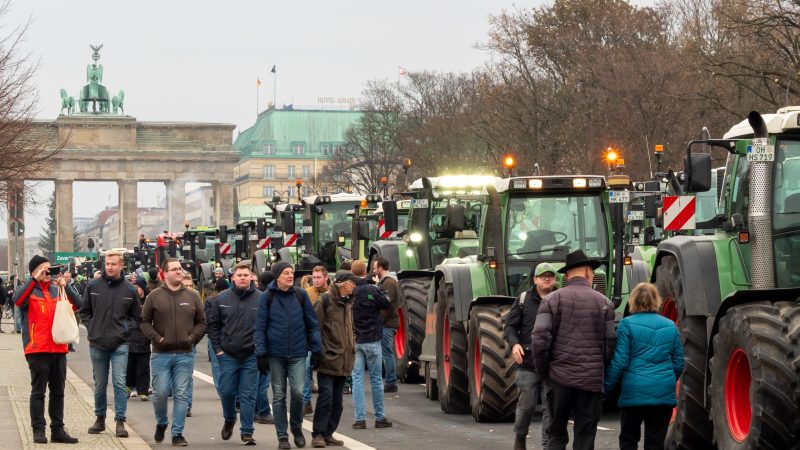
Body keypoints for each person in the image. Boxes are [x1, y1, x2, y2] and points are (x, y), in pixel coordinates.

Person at [533, 250, 616, 450]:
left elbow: (539, 340)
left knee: (555, 434)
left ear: (567, 276)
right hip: (590, 382)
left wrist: (545, 373)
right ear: (589, 273)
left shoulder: (550, 301)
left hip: (558, 379)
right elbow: (610, 342)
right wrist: (598, 370)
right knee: (585, 435)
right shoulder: (605, 304)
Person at [605, 283, 684, 450]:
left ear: (633, 301)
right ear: (656, 301)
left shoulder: (627, 324)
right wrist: (667, 380)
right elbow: (679, 363)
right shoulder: (670, 326)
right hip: (663, 394)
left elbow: (620, 361)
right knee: (655, 443)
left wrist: (606, 386)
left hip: (634, 393)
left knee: (628, 440)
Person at [13, 255, 82, 444]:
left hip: (58, 348)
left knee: (58, 391)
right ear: (33, 271)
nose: (47, 273)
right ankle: (38, 429)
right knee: (38, 391)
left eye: (49, 269)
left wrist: (65, 285)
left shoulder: (56, 289)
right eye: (43, 269)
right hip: (37, 348)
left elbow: (80, 305)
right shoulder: (29, 290)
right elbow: (17, 300)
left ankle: (58, 430)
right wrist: (34, 279)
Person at [255, 261, 322, 450]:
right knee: (278, 396)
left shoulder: (300, 295)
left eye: (291, 272)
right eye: (286, 273)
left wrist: (317, 349)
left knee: (299, 393)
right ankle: (282, 437)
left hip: (298, 353)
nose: (290, 276)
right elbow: (260, 327)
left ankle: (296, 427)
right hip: (275, 354)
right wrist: (261, 353)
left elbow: (312, 323)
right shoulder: (267, 297)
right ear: (277, 276)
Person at [140, 258, 206, 446]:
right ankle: (161, 423)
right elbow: (144, 322)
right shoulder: (154, 296)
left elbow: (202, 322)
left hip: (185, 355)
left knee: (181, 394)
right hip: (161, 354)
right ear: (165, 273)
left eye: (180, 269)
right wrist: (158, 339)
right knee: (160, 393)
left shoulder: (192, 295)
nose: (180, 271)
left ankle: (177, 433)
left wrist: (192, 338)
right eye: (175, 269)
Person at [80, 250, 140, 438]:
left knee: (119, 383)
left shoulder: (130, 290)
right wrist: (92, 327)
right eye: (107, 263)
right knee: (99, 384)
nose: (110, 267)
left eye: (114, 264)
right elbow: (84, 311)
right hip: (97, 342)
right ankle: (100, 418)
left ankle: (120, 420)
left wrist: (124, 329)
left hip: (119, 343)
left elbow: (136, 317)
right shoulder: (93, 285)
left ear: (121, 265)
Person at [208, 262, 264, 446]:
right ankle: (229, 419)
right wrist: (218, 349)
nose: (242, 278)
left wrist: (261, 348)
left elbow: (266, 326)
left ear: (251, 277)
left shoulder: (261, 299)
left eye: (245, 275)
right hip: (228, 355)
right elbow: (213, 325)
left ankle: (247, 432)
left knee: (248, 395)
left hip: (251, 355)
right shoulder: (221, 299)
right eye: (239, 275)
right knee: (227, 392)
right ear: (233, 278)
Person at [504, 262, 558, 450]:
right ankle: (520, 437)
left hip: (553, 363)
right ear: (535, 279)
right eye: (543, 275)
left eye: (550, 275)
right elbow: (510, 326)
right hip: (528, 362)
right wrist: (514, 344)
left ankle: (547, 446)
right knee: (526, 407)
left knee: (550, 410)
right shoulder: (523, 299)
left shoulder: (560, 299)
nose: (547, 278)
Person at [310, 271, 356, 448]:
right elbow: (315, 328)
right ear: (343, 284)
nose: (355, 286)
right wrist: (321, 351)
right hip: (329, 358)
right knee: (326, 398)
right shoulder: (325, 300)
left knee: (338, 402)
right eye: (353, 283)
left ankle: (328, 433)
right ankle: (318, 434)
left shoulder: (349, 302)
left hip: (344, 359)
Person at [349, 259, 393, 429]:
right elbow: (387, 302)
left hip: (355, 339)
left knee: (357, 380)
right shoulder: (371, 289)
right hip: (372, 339)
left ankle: (360, 419)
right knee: (375, 380)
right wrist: (378, 286)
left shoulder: (350, 290)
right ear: (365, 271)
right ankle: (379, 417)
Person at [303, 266, 330, 415]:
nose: (316, 280)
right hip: (310, 338)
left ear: (326, 278)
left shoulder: (332, 293)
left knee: (325, 371)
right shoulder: (307, 293)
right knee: (306, 369)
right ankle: (306, 402)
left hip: (328, 338)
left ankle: (325, 403)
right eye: (314, 278)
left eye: (319, 277)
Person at [372, 257, 400, 393]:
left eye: (374, 268)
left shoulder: (388, 283)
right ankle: (389, 380)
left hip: (387, 324)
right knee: (386, 353)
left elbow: (387, 305)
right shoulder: (388, 281)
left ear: (380, 269)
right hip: (388, 322)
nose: (373, 271)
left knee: (387, 353)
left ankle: (390, 382)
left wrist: (379, 321)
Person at [126, 278, 152, 401]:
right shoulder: (129, 300)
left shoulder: (148, 301)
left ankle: (143, 390)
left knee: (143, 367)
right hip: (130, 337)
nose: (136, 289)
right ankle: (129, 387)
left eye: (138, 287)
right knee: (129, 366)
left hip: (144, 338)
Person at [255, 270, 275, 425]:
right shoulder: (267, 297)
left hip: (253, 344)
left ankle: (255, 410)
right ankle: (263, 411)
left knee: (255, 382)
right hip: (263, 346)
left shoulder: (255, 296)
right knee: (263, 382)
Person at [206, 277, 230, 398]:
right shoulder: (229, 299)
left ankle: (222, 391)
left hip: (214, 336)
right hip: (225, 335)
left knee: (217, 366)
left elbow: (209, 320)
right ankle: (225, 390)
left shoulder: (210, 300)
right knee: (225, 365)